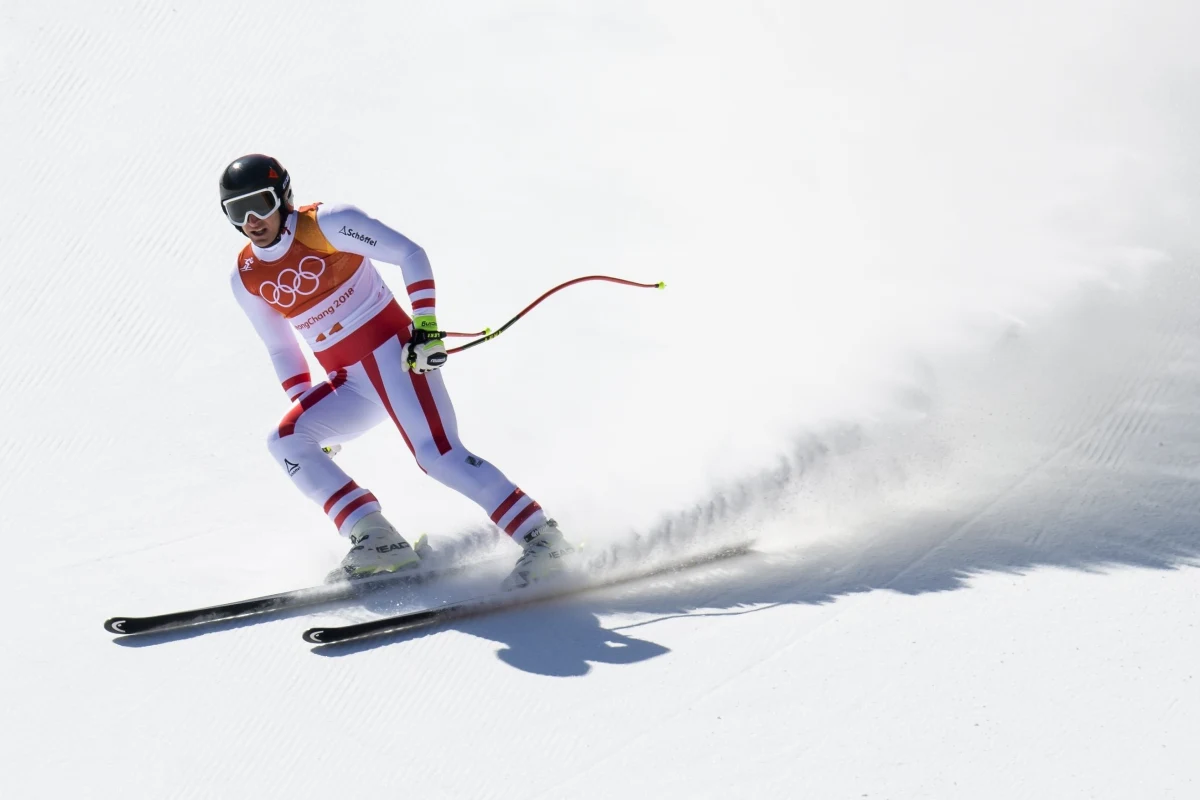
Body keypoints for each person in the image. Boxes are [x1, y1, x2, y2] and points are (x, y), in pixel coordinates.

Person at [221, 153, 573, 588]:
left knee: (437, 454)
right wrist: (313, 416)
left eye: (260, 203)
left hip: (395, 356)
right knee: (287, 441)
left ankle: (543, 539)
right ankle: (376, 539)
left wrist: (425, 328)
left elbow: (409, 254)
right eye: (237, 210)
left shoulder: (326, 224)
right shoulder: (247, 275)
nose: (252, 219)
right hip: (350, 382)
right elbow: (280, 346)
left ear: (283, 197)